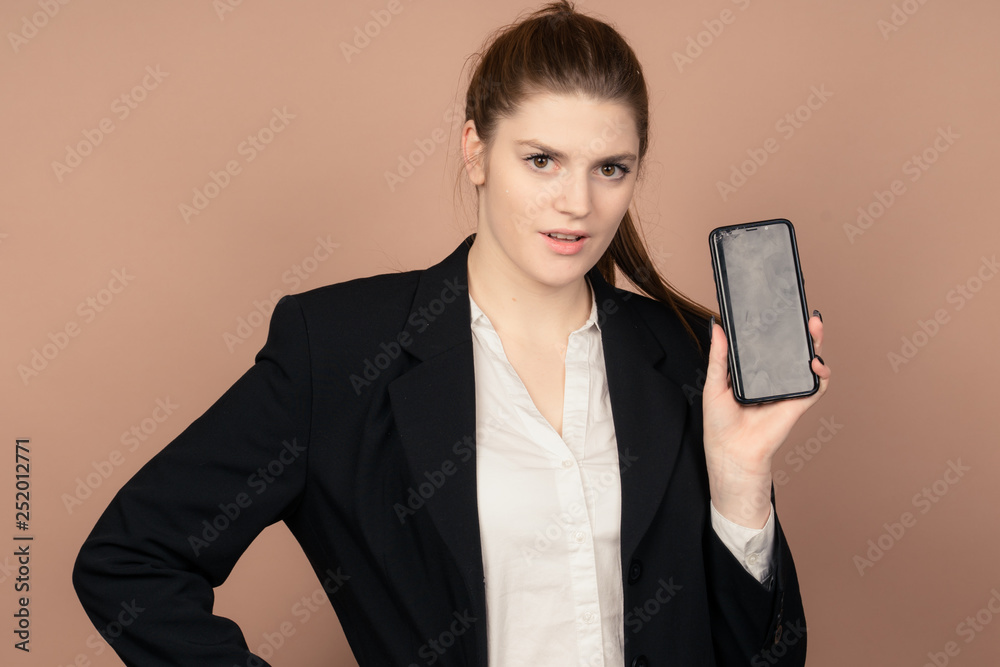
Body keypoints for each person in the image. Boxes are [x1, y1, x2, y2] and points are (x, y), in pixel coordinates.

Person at [73, 1, 830, 665]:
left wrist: (740, 480)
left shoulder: (689, 354)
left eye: (610, 168)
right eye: (542, 160)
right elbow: (129, 561)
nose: (577, 203)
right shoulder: (337, 349)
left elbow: (768, 657)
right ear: (475, 150)